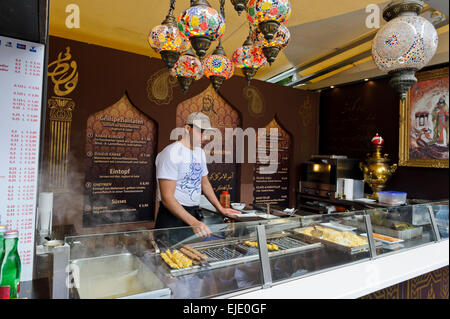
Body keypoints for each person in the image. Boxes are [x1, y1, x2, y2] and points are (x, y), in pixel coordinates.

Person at [154, 112, 241, 240]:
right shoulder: (171, 153)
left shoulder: (199, 152)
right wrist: (194, 222)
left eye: (206, 132)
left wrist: (220, 209)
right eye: (201, 131)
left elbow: (204, 183)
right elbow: (167, 198)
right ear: (187, 128)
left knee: (190, 257)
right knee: (169, 258)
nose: (205, 137)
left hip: (193, 214)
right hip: (172, 217)